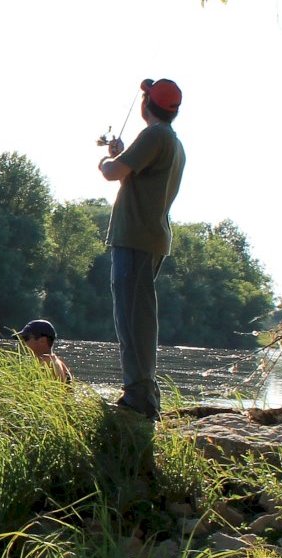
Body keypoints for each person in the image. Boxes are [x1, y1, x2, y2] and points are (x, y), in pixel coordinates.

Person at [98, 78, 186, 420]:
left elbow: (113, 172)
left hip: (136, 238)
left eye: (145, 95)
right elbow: (132, 175)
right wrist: (120, 157)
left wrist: (106, 163)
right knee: (137, 316)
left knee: (132, 318)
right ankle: (142, 393)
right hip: (147, 238)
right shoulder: (170, 140)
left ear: (147, 104)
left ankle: (138, 398)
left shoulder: (155, 135)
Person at [16, 319, 73, 383]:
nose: (21, 343)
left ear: (42, 341)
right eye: (20, 339)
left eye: (25, 338)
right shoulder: (59, 363)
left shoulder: (45, 365)